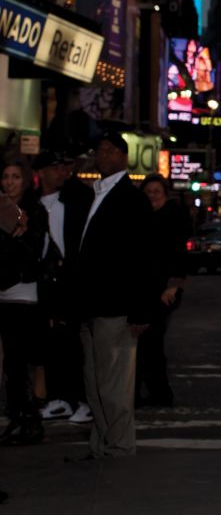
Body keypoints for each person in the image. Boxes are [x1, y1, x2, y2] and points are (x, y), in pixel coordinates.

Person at [68, 133, 153, 460]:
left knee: (115, 385)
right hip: (93, 305)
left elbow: (143, 257)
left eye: (108, 151)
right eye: (99, 150)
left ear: (123, 156)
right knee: (95, 383)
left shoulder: (131, 198)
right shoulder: (97, 194)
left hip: (117, 306)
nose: (101, 156)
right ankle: (103, 441)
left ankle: (118, 445)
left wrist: (141, 311)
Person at [34, 152, 94, 427]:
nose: (61, 173)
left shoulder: (73, 199)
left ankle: (81, 399)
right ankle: (60, 398)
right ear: (42, 172)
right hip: (43, 281)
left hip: (69, 281)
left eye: (64, 167)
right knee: (50, 341)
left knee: (71, 342)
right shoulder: (32, 203)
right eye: (54, 168)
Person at [0, 157, 48, 446]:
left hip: (24, 292)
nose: (9, 182)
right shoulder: (4, 209)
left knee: (21, 360)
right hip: (3, 291)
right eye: (5, 177)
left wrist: (16, 237)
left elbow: (31, 250)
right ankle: (18, 416)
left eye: (15, 177)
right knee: (11, 363)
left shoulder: (33, 209)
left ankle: (29, 418)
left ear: (26, 180)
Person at [135, 175, 190, 407]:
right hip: (146, 287)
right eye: (148, 191)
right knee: (145, 342)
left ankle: (158, 392)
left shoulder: (173, 217)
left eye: (156, 191)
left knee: (151, 342)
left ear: (165, 194)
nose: (152, 195)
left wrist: (174, 285)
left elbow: (180, 254)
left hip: (164, 288)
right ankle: (151, 391)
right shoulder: (143, 218)